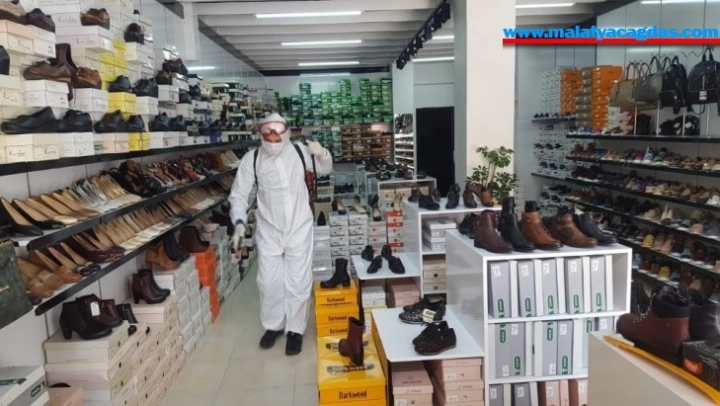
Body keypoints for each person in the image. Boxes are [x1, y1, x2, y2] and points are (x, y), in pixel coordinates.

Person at [228, 113, 333, 355]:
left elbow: (325, 170)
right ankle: (273, 325)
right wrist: (240, 221)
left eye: (278, 137)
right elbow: (239, 194)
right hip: (269, 230)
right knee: (268, 282)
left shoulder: (300, 152)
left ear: (286, 134)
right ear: (261, 135)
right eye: (269, 137)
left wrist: (322, 153)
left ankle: (295, 330)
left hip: (298, 227)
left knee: (298, 281)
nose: (274, 142)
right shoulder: (252, 159)